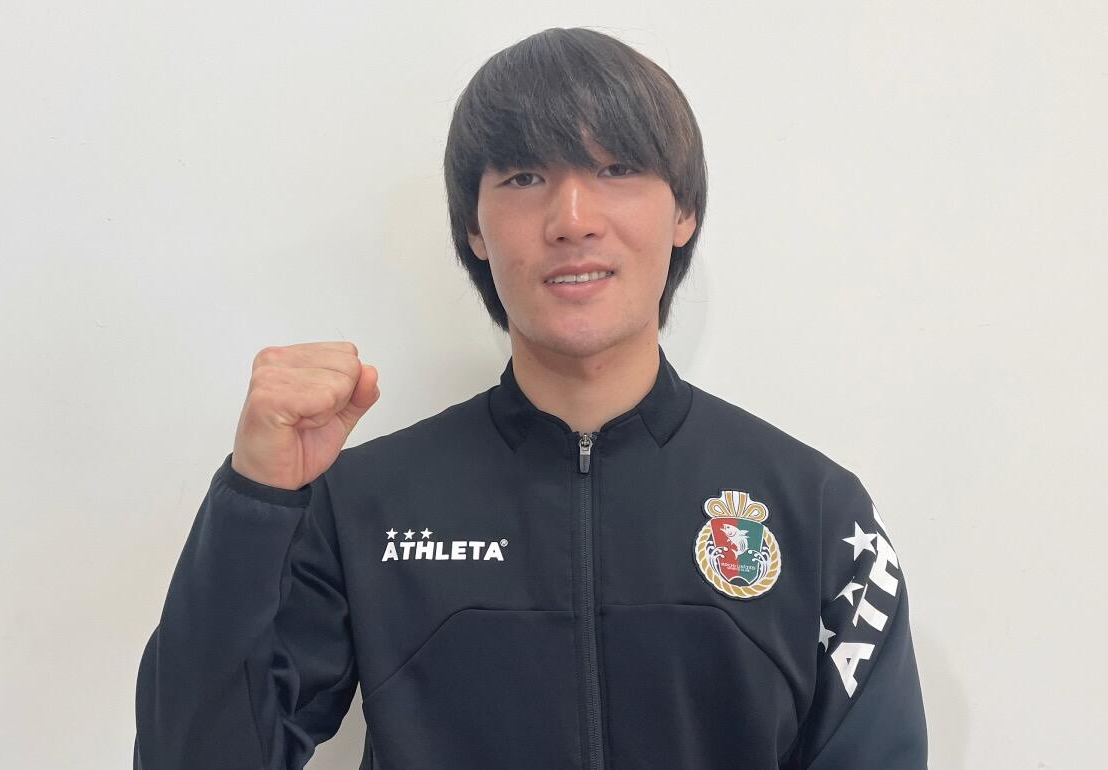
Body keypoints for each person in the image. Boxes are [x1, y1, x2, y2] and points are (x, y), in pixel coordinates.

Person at [134, 26, 927, 770]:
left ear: (683, 212)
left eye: (617, 169)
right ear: (475, 230)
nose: (572, 220)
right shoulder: (361, 506)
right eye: (524, 177)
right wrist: (257, 498)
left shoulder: (818, 513)